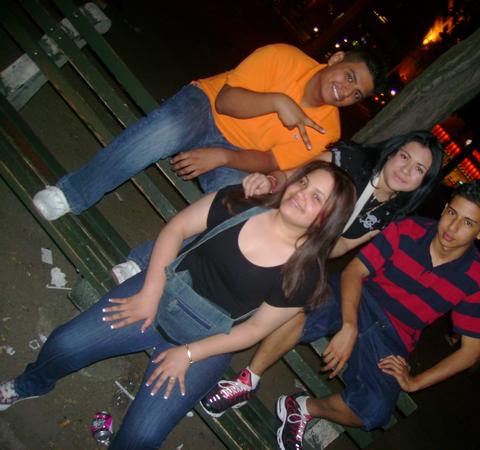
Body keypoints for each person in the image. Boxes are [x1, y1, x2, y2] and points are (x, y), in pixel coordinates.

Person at [0, 161, 356, 449]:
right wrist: (150, 292)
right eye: (304, 182)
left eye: (317, 198)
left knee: (142, 437)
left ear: (328, 219)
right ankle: (29, 384)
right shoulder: (243, 200)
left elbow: (253, 330)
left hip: (208, 340)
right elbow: (177, 229)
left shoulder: (306, 275)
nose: (301, 193)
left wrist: (187, 354)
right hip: (161, 293)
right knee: (66, 343)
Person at [203, 180, 480, 450]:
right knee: (299, 308)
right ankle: (247, 380)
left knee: (376, 410)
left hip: (393, 337)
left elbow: (471, 352)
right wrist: (349, 324)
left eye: (468, 222)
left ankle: (302, 408)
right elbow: (354, 272)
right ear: (445, 209)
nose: (452, 226)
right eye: (452, 213)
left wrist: (415, 382)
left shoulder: (478, 280)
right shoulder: (410, 229)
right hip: (358, 297)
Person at [32, 43, 386, 221]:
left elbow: (270, 160)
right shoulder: (283, 57)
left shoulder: (327, 129)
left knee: (236, 207)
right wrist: (278, 102)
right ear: (336, 59)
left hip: (236, 155)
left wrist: (223, 157)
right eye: (349, 76)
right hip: (204, 106)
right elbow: (226, 102)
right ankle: (72, 193)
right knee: (163, 131)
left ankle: (142, 265)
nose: (346, 91)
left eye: (356, 94)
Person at [111, 130, 445, 282]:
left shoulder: (388, 215)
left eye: (418, 169)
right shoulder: (353, 159)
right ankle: (144, 263)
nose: (406, 170)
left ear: (423, 182)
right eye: (405, 157)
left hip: (304, 242)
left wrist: (308, 252)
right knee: (242, 211)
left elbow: (342, 245)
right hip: (285, 208)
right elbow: (298, 176)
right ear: (392, 152)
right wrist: (270, 181)